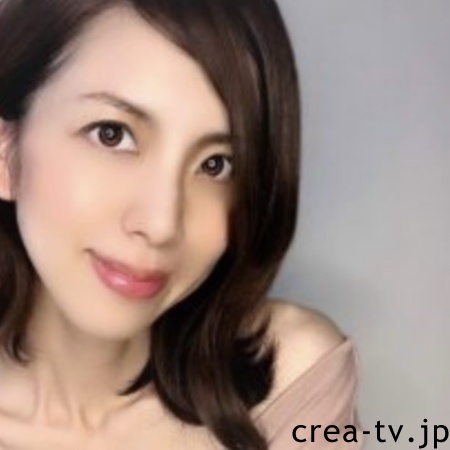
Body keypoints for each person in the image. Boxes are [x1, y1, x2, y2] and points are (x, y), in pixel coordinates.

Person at [0, 0, 362, 449]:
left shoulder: (288, 381)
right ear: (6, 151)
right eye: (112, 134)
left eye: (216, 164)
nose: (162, 224)